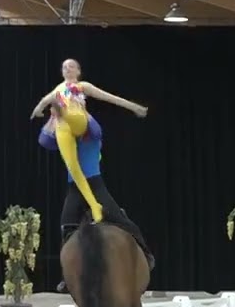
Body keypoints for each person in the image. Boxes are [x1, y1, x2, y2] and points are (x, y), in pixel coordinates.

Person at [30, 58, 147, 224]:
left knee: (69, 114)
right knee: (73, 166)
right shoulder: (58, 89)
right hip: (63, 128)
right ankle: (95, 207)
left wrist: (134, 107)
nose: (67, 69)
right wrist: (37, 111)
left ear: (78, 71)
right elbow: (43, 101)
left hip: (79, 121)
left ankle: (62, 111)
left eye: (71, 66)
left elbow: (110, 98)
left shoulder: (82, 86)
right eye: (64, 67)